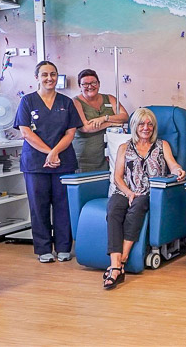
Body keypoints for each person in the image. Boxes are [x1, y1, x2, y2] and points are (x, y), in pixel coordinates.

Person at [103, 108, 185, 289]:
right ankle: (116, 263)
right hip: (125, 190)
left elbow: (173, 165)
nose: (146, 128)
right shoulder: (125, 147)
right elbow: (118, 177)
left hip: (149, 193)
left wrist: (178, 171)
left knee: (137, 207)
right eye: (141, 123)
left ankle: (118, 264)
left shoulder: (162, 145)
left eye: (149, 124)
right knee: (113, 210)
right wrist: (129, 192)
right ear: (134, 126)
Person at [15, 61, 83, 263]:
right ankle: (43, 249)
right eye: (44, 74)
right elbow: (25, 132)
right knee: (39, 206)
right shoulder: (27, 102)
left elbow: (71, 132)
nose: (49, 78)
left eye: (53, 74)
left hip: (63, 161)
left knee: (63, 206)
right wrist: (49, 153)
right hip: (36, 163)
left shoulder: (66, 102)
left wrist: (55, 152)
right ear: (37, 77)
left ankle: (63, 248)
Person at [71, 69, 128, 172]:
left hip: (108, 154)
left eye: (93, 83)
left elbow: (124, 116)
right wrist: (111, 122)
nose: (90, 86)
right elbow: (86, 128)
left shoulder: (110, 98)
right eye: (85, 84)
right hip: (86, 156)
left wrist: (104, 118)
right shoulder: (76, 102)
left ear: (99, 84)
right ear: (80, 86)